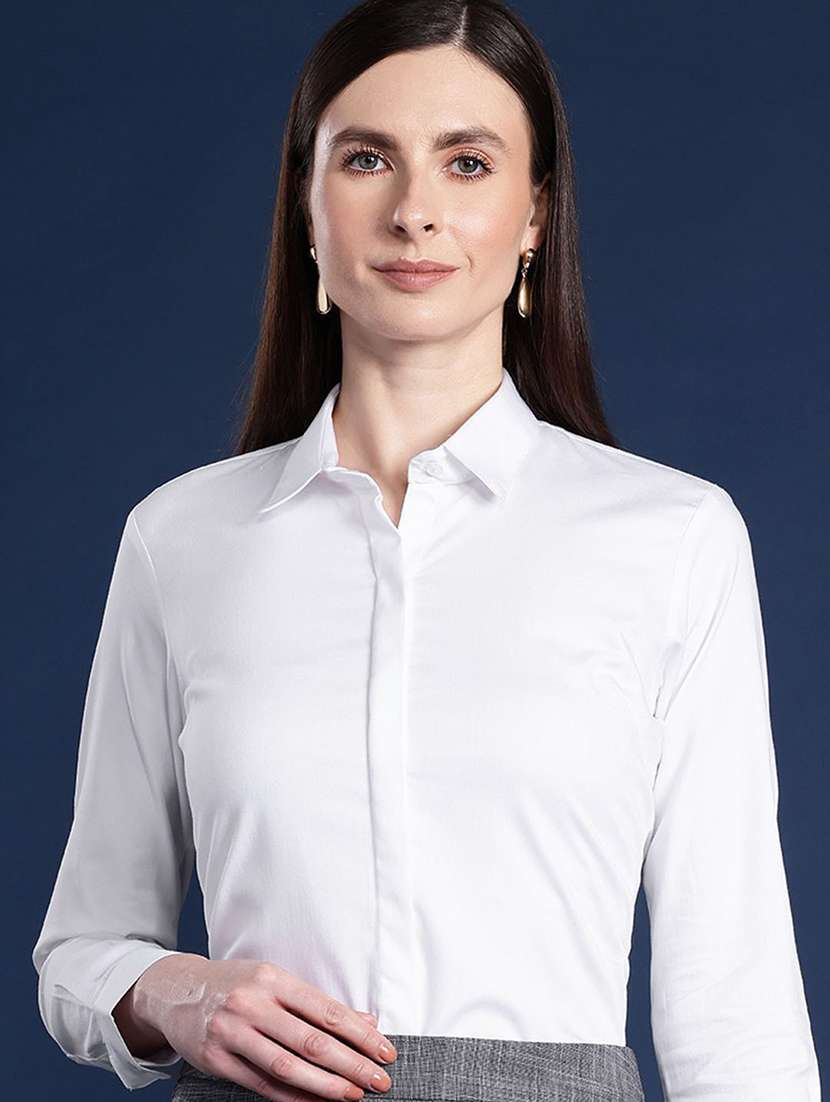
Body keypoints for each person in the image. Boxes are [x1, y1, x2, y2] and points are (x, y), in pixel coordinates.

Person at [32, 0, 821, 1099]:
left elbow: (735, 1005)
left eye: (467, 163)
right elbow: (79, 951)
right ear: (306, 208)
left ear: (534, 214)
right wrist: (176, 992)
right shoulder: (181, 540)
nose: (414, 212)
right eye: (367, 160)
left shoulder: (673, 539)